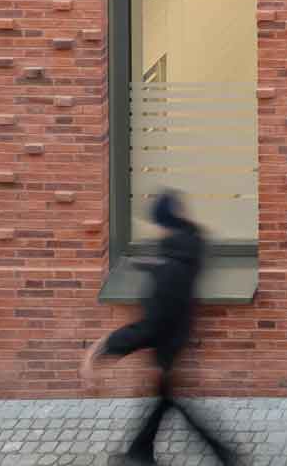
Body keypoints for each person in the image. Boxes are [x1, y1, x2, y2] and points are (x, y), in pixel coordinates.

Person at [82, 190, 242, 464]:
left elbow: (152, 324)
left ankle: (222, 455)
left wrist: (107, 346)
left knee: (170, 399)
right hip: (180, 334)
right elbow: (176, 272)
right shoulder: (191, 246)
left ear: (162, 223)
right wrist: (152, 266)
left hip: (167, 342)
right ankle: (141, 453)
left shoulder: (170, 268)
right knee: (165, 400)